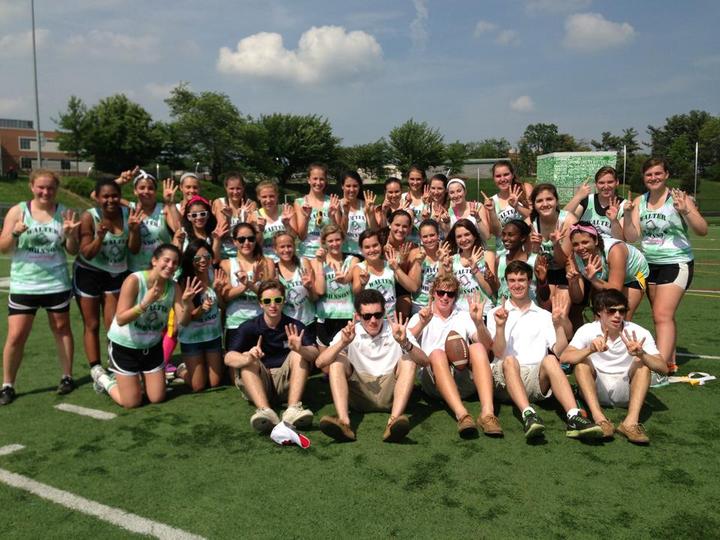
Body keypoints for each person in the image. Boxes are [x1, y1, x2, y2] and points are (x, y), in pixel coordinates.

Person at [486, 260, 603, 440]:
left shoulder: (544, 315)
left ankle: (573, 415)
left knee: (550, 360)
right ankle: (528, 414)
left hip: (535, 381)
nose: (517, 285)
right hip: (504, 379)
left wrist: (558, 326)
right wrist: (500, 327)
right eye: (512, 280)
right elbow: (499, 353)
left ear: (529, 282)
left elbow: (561, 353)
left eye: (521, 280)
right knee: (509, 360)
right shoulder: (497, 313)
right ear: (506, 283)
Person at [0, 170, 80, 405]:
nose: (46, 192)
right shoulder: (18, 211)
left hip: (56, 282)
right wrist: (14, 232)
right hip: (25, 283)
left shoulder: (64, 212)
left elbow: (72, 250)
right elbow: (3, 247)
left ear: (57, 189)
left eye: (51, 188)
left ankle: (67, 376)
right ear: (32, 186)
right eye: (41, 187)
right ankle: (7, 384)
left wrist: (70, 235)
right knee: (16, 335)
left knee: (62, 329)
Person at [622, 158, 708, 373]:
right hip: (650, 264)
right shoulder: (641, 201)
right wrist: (626, 214)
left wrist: (686, 210)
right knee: (661, 315)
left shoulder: (679, 198)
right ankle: (669, 359)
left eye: (658, 173)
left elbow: (702, 229)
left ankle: (660, 368)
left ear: (667, 175)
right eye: (649, 174)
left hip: (676, 262)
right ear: (644, 178)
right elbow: (632, 237)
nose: (653, 178)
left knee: (662, 314)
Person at [96, 244, 202, 408]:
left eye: (174, 263)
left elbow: (184, 321)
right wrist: (144, 303)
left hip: (152, 347)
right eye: (166, 260)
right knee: (132, 402)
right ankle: (104, 379)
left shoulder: (173, 287)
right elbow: (120, 319)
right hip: (125, 346)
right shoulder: (135, 280)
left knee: (157, 397)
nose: (170, 266)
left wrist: (187, 304)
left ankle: (136, 381)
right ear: (154, 260)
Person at [316, 289, 428, 442]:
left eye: (378, 315)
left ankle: (393, 423)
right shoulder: (350, 332)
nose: (373, 320)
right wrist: (343, 343)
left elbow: (425, 361)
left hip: (391, 392)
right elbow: (320, 362)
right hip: (360, 393)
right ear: (357, 316)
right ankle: (344, 423)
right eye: (367, 316)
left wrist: (405, 343)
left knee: (408, 359)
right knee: (337, 361)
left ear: (384, 311)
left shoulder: (396, 330)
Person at [560, 289, 665, 444]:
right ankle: (600, 420)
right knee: (582, 364)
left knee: (642, 365)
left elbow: (663, 368)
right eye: (611, 311)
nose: (617, 315)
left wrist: (642, 354)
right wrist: (590, 349)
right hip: (595, 388)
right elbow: (564, 357)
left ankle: (630, 423)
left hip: (627, 390)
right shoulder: (588, 330)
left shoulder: (638, 332)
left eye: (622, 311)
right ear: (599, 312)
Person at [409, 276, 502, 438]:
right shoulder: (421, 316)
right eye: (441, 292)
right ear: (433, 294)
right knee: (437, 354)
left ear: (455, 297)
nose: (445, 297)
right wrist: (422, 324)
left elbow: (488, 349)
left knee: (478, 347)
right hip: (434, 380)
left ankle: (487, 414)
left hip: (463, 377)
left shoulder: (464, 315)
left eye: (450, 294)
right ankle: (462, 415)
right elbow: (403, 342)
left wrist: (479, 322)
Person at [224, 280, 318, 432]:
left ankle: (292, 409)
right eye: (267, 301)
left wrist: (300, 349)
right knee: (248, 359)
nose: (272, 305)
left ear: (284, 301)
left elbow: (314, 354)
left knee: (299, 354)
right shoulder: (249, 327)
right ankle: (265, 411)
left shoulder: (295, 325)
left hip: (286, 382)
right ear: (260, 303)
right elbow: (228, 357)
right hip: (260, 382)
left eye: (277, 300)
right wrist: (248, 358)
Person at [75, 178, 141, 380]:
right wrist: (100, 236)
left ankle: (115, 363)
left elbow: (134, 249)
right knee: (92, 323)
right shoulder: (89, 217)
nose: (110, 200)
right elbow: (87, 253)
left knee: (114, 324)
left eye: (114, 195)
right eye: (105, 196)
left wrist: (135, 230)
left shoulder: (127, 214)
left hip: (116, 273)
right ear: (97, 197)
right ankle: (95, 367)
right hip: (89, 273)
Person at [568, 222, 648, 320]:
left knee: (620, 318)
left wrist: (593, 280)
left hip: (634, 274)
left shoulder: (615, 250)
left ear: (596, 240)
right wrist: (574, 282)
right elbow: (577, 299)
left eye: (585, 242)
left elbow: (615, 290)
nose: (580, 248)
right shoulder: (573, 258)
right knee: (599, 319)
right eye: (575, 244)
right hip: (604, 278)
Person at [174, 241, 225, 392]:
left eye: (206, 256)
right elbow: (188, 319)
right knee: (198, 386)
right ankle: (181, 370)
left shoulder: (214, 274)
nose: (203, 261)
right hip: (192, 338)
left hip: (212, 336)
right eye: (197, 258)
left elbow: (223, 306)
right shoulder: (184, 281)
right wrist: (200, 308)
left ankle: (198, 365)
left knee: (215, 382)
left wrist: (218, 291)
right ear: (191, 260)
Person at [220, 223, 276, 350]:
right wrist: (246, 285)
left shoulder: (267, 263)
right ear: (234, 242)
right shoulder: (226, 264)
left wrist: (249, 284)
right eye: (241, 239)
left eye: (251, 239)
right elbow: (226, 296)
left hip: (261, 321)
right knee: (235, 365)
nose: (246, 243)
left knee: (263, 365)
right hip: (235, 323)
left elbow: (270, 295)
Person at [311, 225, 359, 347]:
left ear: (343, 240)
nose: (335, 244)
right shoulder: (316, 261)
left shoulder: (353, 260)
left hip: (347, 315)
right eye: (330, 241)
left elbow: (353, 281)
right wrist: (320, 264)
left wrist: (345, 279)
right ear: (324, 243)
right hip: (325, 316)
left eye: (337, 240)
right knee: (326, 362)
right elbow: (320, 290)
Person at [352, 229, 416, 318]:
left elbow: (413, 287)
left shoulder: (390, 265)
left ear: (381, 245)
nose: (372, 250)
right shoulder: (359, 268)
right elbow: (356, 293)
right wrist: (362, 284)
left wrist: (397, 268)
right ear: (361, 250)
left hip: (390, 320)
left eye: (375, 245)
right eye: (367, 247)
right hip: (370, 320)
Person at [127, 171, 180, 272]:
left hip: (161, 269)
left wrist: (171, 203)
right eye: (141, 188)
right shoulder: (130, 209)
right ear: (135, 191)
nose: (146, 191)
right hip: (135, 269)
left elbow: (178, 230)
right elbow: (96, 195)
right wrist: (121, 180)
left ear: (156, 191)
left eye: (151, 188)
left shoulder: (164, 209)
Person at [274, 232, 319, 343]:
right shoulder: (274, 270)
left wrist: (309, 288)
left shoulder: (303, 263)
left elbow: (315, 298)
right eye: (282, 247)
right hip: (285, 325)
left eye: (289, 246)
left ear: (294, 247)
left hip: (308, 322)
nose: (286, 250)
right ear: (275, 249)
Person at [445, 219, 494, 313]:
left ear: (474, 235)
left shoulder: (487, 255)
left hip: (483, 310)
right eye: (459, 236)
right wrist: (448, 272)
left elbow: (490, 291)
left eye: (467, 234)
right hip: (460, 312)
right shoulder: (451, 260)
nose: (463, 239)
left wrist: (475, 269)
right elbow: (450, 291)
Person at [294, 163, 341, 259]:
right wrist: (307, 218)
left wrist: (332, 217)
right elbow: (301, 237)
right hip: (306, 255)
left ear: (326, 180)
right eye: (315, 178)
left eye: (322, 179)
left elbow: (338, 233)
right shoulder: (300, 203)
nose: (318, 183)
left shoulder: (332, 201)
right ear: (309, 180)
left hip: (329, 255)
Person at [563, 166, 624, 240]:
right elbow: (562, 219)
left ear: (617, 182)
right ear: (596, 184)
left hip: (611, 249)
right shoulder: (587, 200)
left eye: (610, 182)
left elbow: (621, 239)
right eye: (601, 183)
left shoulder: (624, 205)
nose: (606, 186)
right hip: (585, 248)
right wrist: (578, 197)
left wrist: (614, 221)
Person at [212, 171, 257, 259]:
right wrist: (229, 218)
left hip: (245, 253)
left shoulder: (251, 204)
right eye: (231, 188)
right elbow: (223, 232)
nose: (235, 192)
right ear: (226, 188)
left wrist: (242, 217)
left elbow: (251, 233)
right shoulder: (219, 203)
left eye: (238, 188)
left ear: (243, 188)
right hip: (224, 253)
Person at [255, 180, 295, 262]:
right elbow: (255, 245)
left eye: (272, 196)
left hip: (286, 259)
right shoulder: (254, 215)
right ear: (258, 197)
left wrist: (287, 225)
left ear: (277, 196)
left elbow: (294, 238)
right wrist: (260, 231)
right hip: (265, 260)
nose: (268, 200)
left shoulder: (287, 210)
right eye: (264, 197)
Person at [338, 171, 375, 256]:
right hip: (345, 252)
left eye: (355, 186)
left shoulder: (366, 204)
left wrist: (371, 214)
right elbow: (340, 234)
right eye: (348, 186)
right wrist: (345, 214)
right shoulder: (338, 205)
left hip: (364, 252)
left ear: (359, 187)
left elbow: (373, 230)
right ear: (342, 186)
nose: (352, 189)